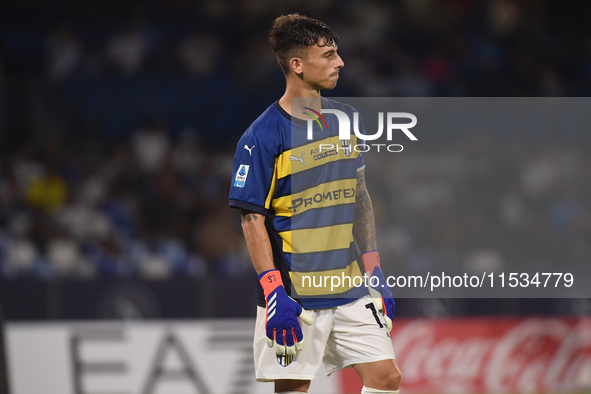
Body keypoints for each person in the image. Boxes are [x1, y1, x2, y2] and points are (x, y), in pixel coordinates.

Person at [229, 14, 401, 394]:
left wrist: (373, 268)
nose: (339, 62)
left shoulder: (347, 118)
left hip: (349, 284)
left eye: (337, 53)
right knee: (293, 389)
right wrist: (274, 292)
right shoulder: (261, 136)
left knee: (386, 378)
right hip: (295, 293)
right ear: (297, 64)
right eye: (328, 55)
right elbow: (251, 220)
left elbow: (359, 196)